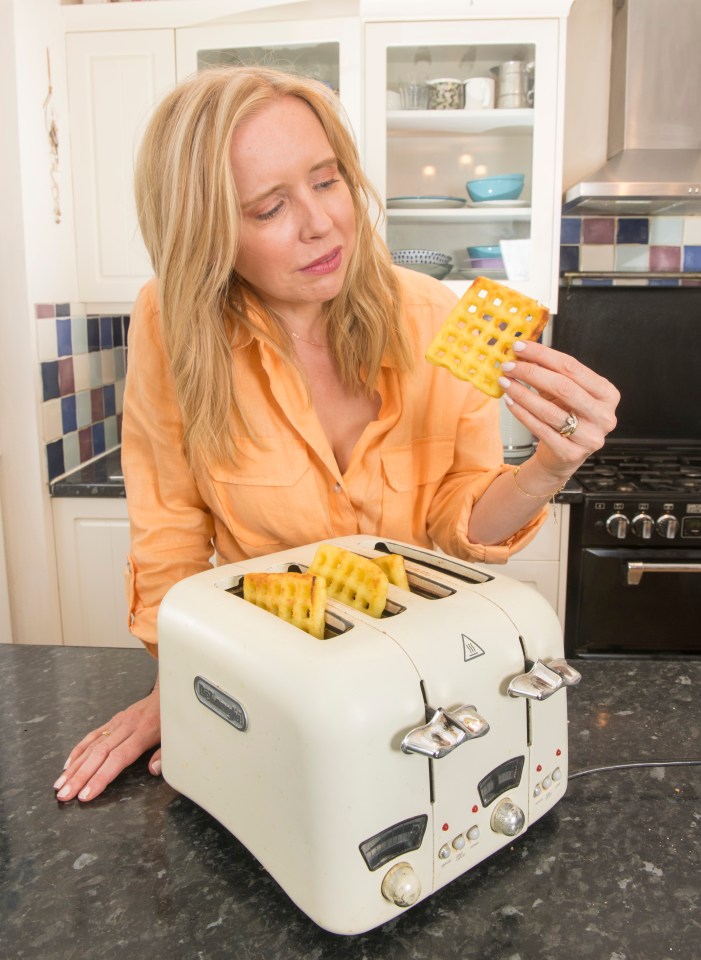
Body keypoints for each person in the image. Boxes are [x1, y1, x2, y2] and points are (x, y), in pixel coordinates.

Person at [53, 66, 618, 804]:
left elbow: (458, 521)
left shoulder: (432, 317)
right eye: (267, 208)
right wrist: (188, 685)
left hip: (429, 670)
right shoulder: (172, 321)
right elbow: (171, 535)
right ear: (206, 232)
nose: (320, 223)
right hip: (274, 682)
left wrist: (548, 466)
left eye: (326, 181)